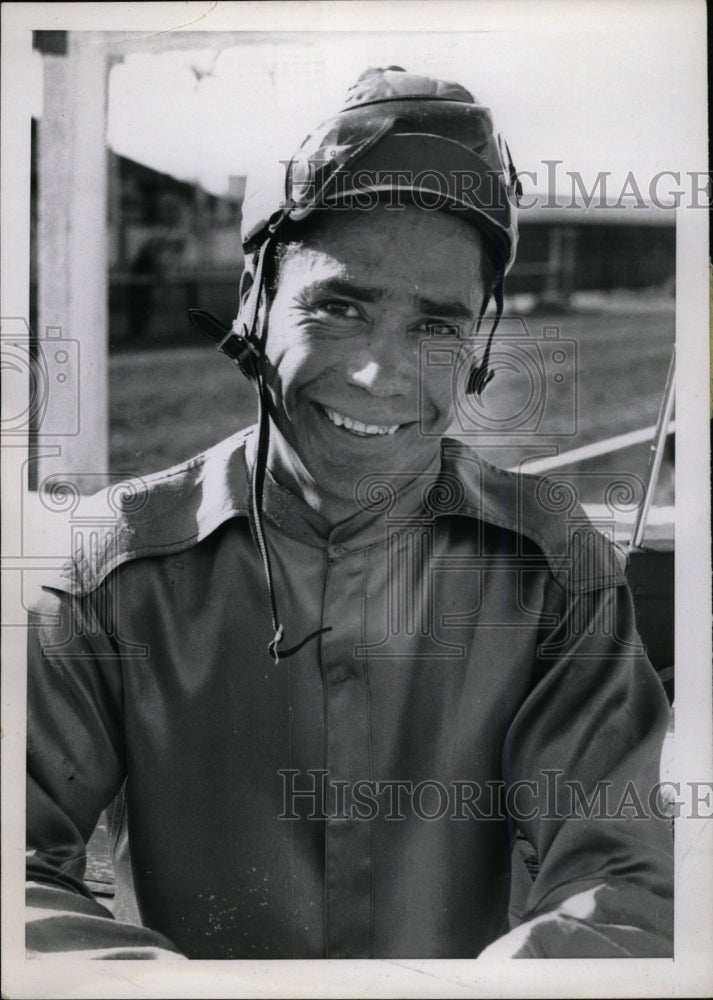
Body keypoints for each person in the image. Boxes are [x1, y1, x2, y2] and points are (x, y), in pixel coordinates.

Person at [26, 66, 673, 959]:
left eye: (436, 326)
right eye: (338, 307)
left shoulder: (555, 571)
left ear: (480, 346)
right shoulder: (103, 570)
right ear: (255, 302)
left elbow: (628, 881)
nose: (378, 373)